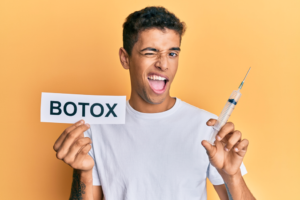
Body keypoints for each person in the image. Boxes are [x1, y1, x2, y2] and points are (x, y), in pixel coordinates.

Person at [53, 6, 256, 200]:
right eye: (150, 52)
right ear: (125, 59)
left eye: (172, 53)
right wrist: (83, 173)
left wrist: (232, 176)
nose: (163, 64)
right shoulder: (96, 126)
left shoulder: (209, 128)